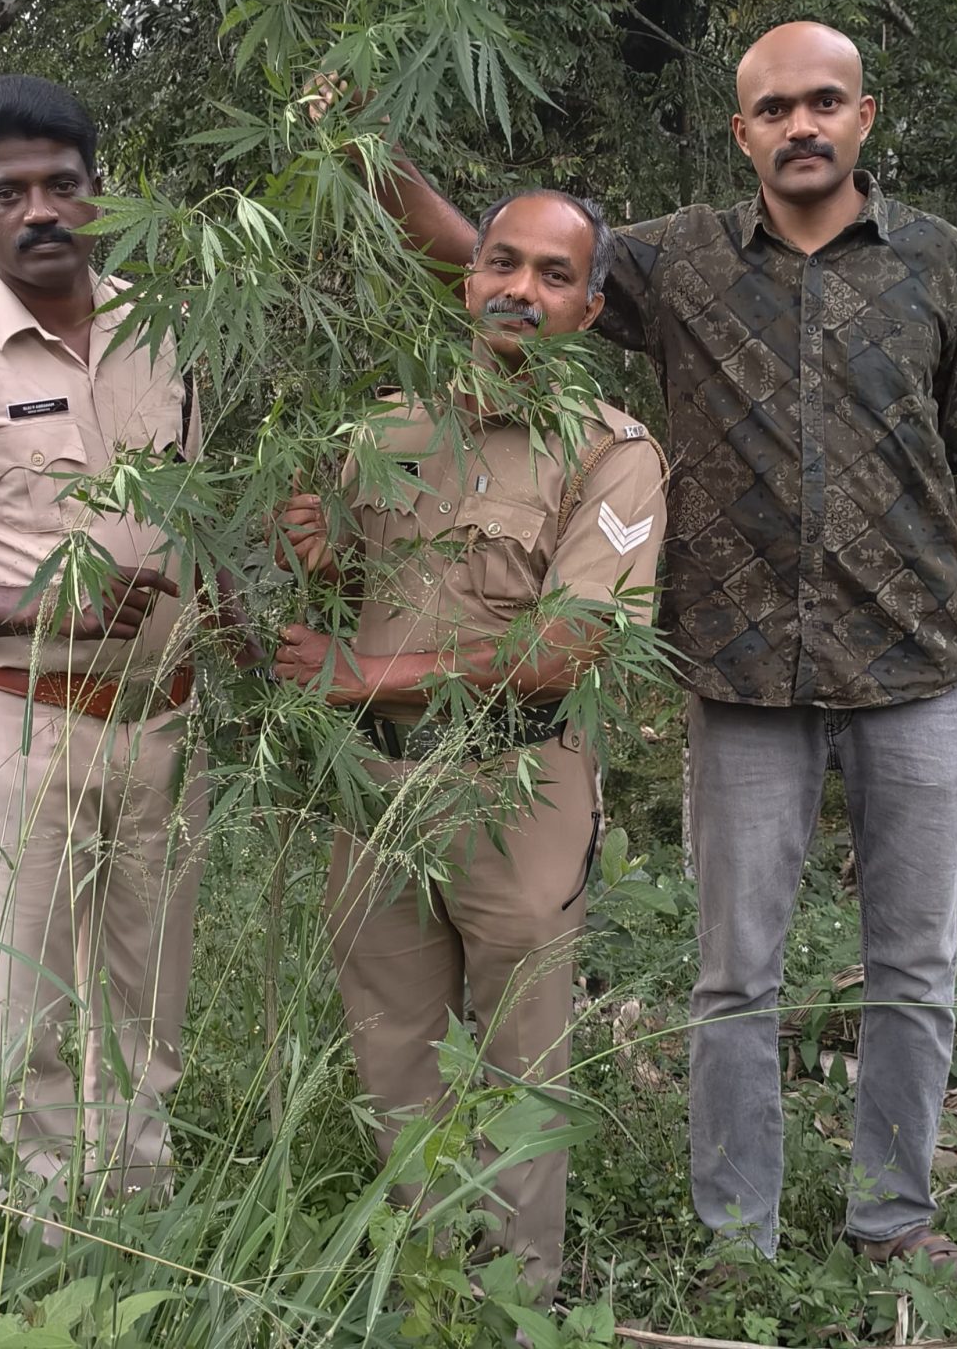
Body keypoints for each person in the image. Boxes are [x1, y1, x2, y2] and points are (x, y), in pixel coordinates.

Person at [310, 21, 957, 1273]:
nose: (802, 127)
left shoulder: (944, 267)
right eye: (775, 109)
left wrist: (939, 595)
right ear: (743, 132)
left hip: (918, 673)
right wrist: (361, 149)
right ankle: (738, 1239)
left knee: (914, 967)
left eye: (825, 103)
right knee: (734, 978)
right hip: (739, 679)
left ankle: (894, 1221)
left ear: (865, 117)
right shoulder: (680, 263)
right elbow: (498, 262)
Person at [271, 189, 668, 1302]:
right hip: (379, 785)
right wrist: (316, 564)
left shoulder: (614, 454)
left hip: (517, 782)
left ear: (590, 311)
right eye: (503, 263)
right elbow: (353, 598)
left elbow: (571, 645)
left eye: (554, 275)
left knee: (520, 1059)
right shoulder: (383, 431)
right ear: (467, 279)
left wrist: (363, 673)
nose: (521, 291)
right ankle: (429, 1285)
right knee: (393, 1048)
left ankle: (512, 1300)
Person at [0, 74, 241, 1225]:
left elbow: (199, 505)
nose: (39, 211)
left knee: (146, 1017)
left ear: (100, 193)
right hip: (15, 724)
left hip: (160, 729)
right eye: (7, 193)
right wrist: (53, 610)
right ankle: (47, 1248)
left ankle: (141, 1230)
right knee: (26, 1022)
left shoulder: (170, 326)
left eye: (62, 186)